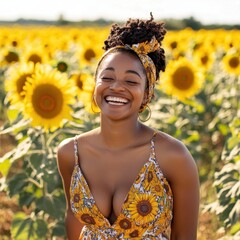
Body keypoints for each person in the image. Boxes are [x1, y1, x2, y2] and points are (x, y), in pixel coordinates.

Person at [57, 14, 199, 240]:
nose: (116, 87)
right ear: (95, 86)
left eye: (131, 81)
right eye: (107, 78)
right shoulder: (70, 154)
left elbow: (184, 236)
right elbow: (74, 223)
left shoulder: (173, 156)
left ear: (146, 94)